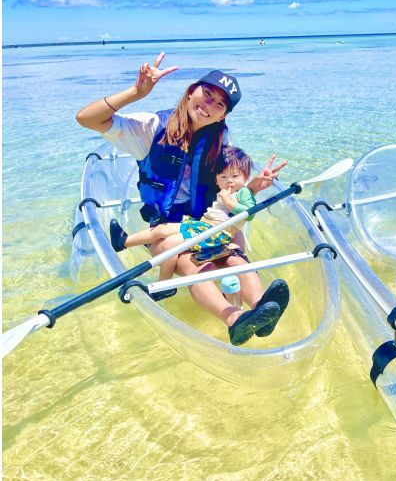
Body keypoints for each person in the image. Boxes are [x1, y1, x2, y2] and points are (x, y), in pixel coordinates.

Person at [76, 52, 290, 347]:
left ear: (223, 115)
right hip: (167, 224)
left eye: (219, 104)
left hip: (206, 221)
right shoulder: (150, 128)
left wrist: (253, 186)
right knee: (194, 264)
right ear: (191, 92)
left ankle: (261, 311)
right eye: (207, 93)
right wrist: (136, 92)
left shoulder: (219, 141)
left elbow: (228, 183)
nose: (209, 105)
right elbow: (86, 118)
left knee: (233, 253)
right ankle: (234, 320)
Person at [110, 145, 257, 279]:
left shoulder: (244, 193)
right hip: (202, 226)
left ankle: (164, 283)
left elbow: (249, 214)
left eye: (235, 176)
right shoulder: (223, 191)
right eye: (223, 177)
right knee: (161, 229)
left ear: (245, 177)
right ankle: (123, 242)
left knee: (171, 244)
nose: (229, 181)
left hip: (214, 235)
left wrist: (229, 202)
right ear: (216, 180)